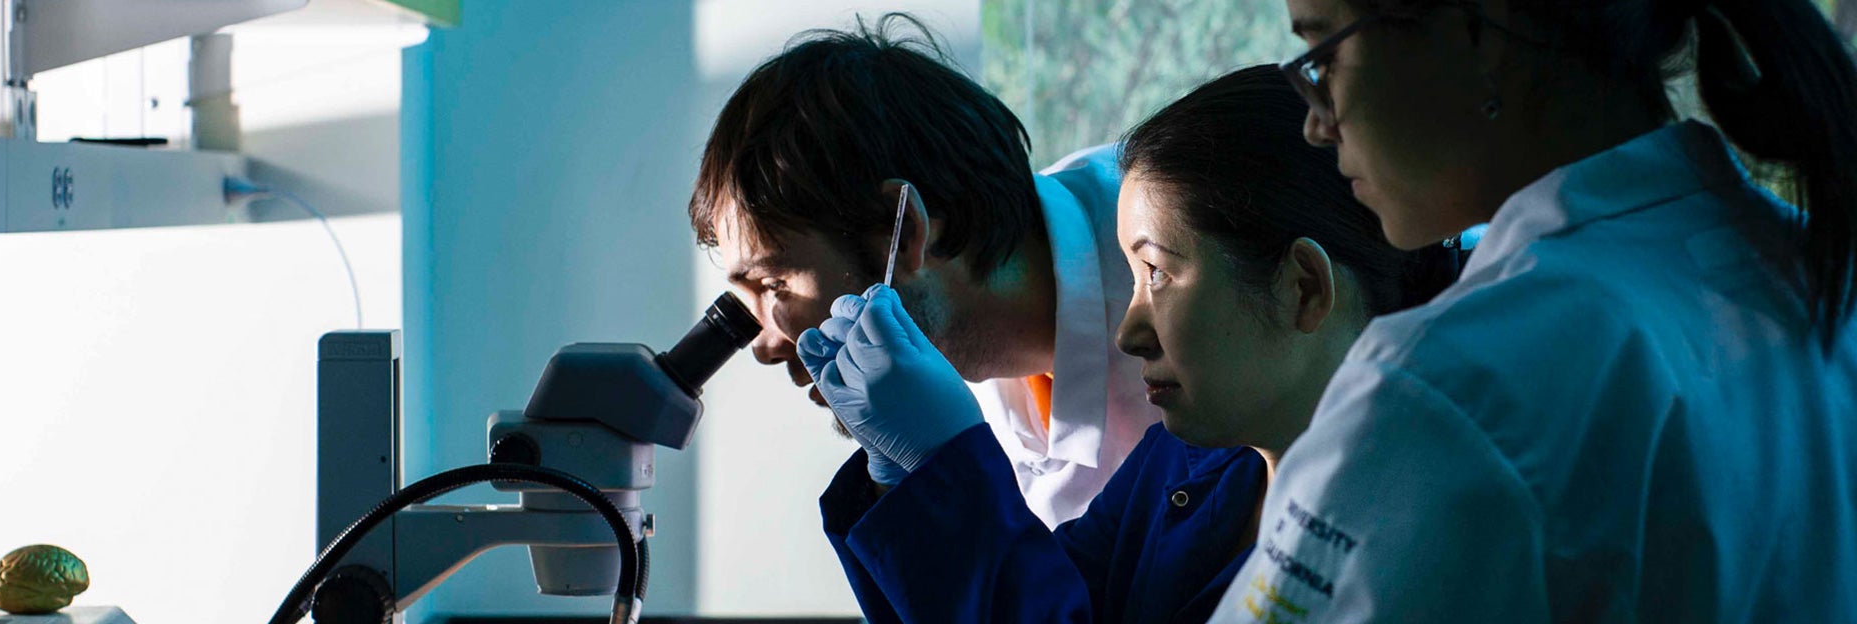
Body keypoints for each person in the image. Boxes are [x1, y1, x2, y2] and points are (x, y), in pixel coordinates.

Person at [1210, 0, 1857, 621]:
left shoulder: (1452, 388)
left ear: (1476, 34)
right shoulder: (1817, 274)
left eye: (1323, 60)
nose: (1315, 124)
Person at [796, 66, 1454, 623]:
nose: (1128, 332)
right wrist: (901, 484)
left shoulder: (1419, 525)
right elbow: (1053, 599)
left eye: (1158, 273)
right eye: (1131, 276)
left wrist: (947, 464)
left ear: (1303, 289)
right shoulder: (1178, 462)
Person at [690, 14, 1152, 527]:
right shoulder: (959, 353)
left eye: (775, 282)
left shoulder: (1173, 264)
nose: (763, 346)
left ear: (902, 232)